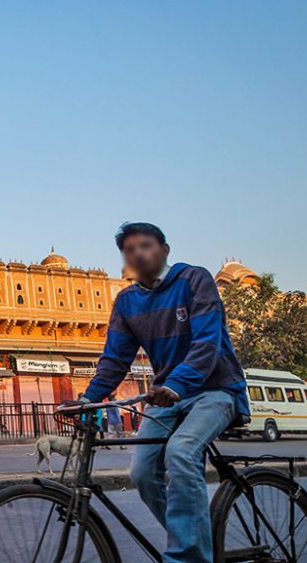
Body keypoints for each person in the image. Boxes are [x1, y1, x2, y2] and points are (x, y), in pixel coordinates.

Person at [67, 222, 249, 563]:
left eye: (146, 245)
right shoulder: (127, 302)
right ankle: (194, 541)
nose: (138, 253)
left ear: (164, 250)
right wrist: (87, 399)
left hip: (215, 391)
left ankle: (188, 556)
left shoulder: (194, 279)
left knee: (180, 453)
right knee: (141, 473)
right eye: (130, 249)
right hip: (166, 395)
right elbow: (115, 359)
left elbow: (207, 344)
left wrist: (176, 386)